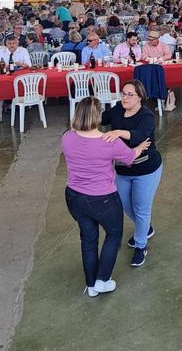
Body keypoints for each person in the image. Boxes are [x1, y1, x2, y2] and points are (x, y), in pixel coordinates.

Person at [61, 97, 151, 297]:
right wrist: (140, 147)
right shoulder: (109, 142)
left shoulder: (67, 137)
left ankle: (91, 285)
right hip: (102, 199)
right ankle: (103, 279)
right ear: (98, 115)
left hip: (74, 197)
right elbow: (129, 157)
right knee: (113, 234)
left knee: (88, 239)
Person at [101, 80, 162, 268]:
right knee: (125, 205)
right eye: (123, 93)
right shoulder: (118, 108)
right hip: (122, 169)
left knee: (142, 208)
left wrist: (119, 132)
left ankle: (140, 245)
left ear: (140, 97)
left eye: (130, 95)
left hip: (146, 169)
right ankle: (146, 229)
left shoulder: (147, 116)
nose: (125, 98)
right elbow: (102, 119)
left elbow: (139, 135)